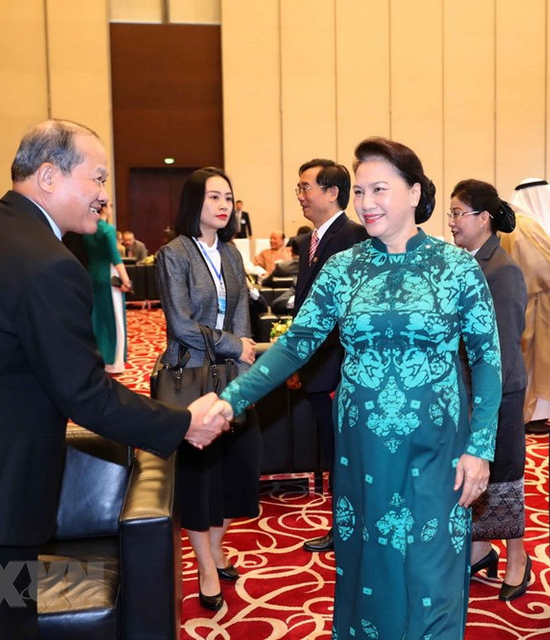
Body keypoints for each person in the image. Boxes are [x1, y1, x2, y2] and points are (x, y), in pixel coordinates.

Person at [0, 119, 228, 639]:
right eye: (97, 178)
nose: (104, 195)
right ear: (47, 176)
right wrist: (183, 424)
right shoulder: (48, 265)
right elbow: (85, 393)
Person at [207, 137, 501, 638]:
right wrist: (230, 399)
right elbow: (295, 345)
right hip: (364, 453)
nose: (366, 203)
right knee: (372, 573)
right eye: (360, 191)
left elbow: (488, 361)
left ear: (414, 193)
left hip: (439, 452)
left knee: (432, 575)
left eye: (379, 189)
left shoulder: (456, 268)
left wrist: (480, 448)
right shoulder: (343, 269)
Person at [155, 167, 261, 613]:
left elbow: (240, 317)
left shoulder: (231, 253)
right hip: (191, 376)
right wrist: (235, 345)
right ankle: (204, 566)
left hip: (229, 377)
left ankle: (217, 548)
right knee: (199, 478)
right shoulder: (173, 253)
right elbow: (180, 325)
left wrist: (243, 365)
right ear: (193, 202)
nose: (223, 205)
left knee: (235, 469)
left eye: (229, 198)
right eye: (214, 197)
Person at [448, 179, 531, 601]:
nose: (451, 222)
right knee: (474, 475)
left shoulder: (502, 269)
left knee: (505, 476)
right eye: (450, 214)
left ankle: (519, 558)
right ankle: (481, 550)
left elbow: (504, 345)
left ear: (483, 219)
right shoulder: (466, 263)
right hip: (469, 388)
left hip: (499, 392)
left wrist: (484, 401)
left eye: (458, 214)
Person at [289, 158, 368, 553]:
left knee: (348, 455)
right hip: (317, 368)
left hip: (339, 371)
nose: (300, 195)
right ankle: (343, 525)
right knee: (333, 452)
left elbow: (351, 314)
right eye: (299, 188)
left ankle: (349, 528)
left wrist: (335, 371)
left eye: (306, 187)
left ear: (332, 192)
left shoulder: (354, 237)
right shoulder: (309, 241)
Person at [499, 205, 550, 433]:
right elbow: (537, 268)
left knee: (548, 358)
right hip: (536, 305)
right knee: (535, 359)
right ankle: (530, 414)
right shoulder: (522, 226)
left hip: (548, 304)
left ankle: (541, 413)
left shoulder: (534, 225)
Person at [82, 203, 131, 373]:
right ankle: (113, 361)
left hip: (92, 273)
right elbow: (116, 258)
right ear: (104, 209)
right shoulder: (107, 229)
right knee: (113, 318)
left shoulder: (87, 228)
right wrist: (126, 280)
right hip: (108, 276)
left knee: (97, 317)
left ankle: (97, 357)